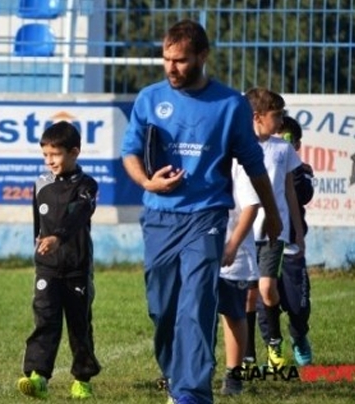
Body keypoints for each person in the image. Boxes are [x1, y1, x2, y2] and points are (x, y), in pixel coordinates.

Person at [120, 19, 282, 404]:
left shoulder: (229, 105)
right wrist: (147, 182)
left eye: (180, 60)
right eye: (166, 59)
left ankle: (191, 393)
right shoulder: (148, 99)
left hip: (206, 216)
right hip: (159, 216)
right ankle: (177, 376)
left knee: (197, 303)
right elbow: (129, 153)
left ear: (203, 57)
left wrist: (272, 213)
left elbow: (255, 164)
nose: (171, 67)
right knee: (162, 309)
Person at [16, 121, 101, 400]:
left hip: (77, 266)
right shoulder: (41, 184)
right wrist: (40, 247)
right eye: (45, 155)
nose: (49, 160)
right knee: (45, 319)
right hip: (47, 268)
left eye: (55, 154)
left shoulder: (87, 185)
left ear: (74, 152)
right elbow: (37, 224)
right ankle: (38, 376)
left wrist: (58, 237)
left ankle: (82, 379)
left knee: (79, 325)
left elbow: (79, 215)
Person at [244, 88, 304, 371]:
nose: (281, 120)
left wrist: (298, 230)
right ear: (257, 117)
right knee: (248, 294)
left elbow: (290, 192)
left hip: (274, 231)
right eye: (276, 115)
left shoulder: (283, 149)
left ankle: (274, 341)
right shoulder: (239, 147)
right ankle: (247, 356)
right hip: (244, 231)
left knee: (267, 288)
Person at [271, 115, 314, 366]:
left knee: (298, 304)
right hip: (264, 244)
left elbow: (303, 195)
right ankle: (272, 346)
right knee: (266, 300)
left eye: (288, 140)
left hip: (292, 247)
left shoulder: (301, 172)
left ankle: (299, 337)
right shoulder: (258, 167)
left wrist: (294, 167)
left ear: (296, 146)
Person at [217, 161, 261, 395]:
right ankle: (196, 369)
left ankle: (233, 374)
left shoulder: (239, 164)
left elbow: (251, 207)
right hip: (198, 248)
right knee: (193, 313)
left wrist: (232, 246)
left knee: (233, 313)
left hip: (231, 253)